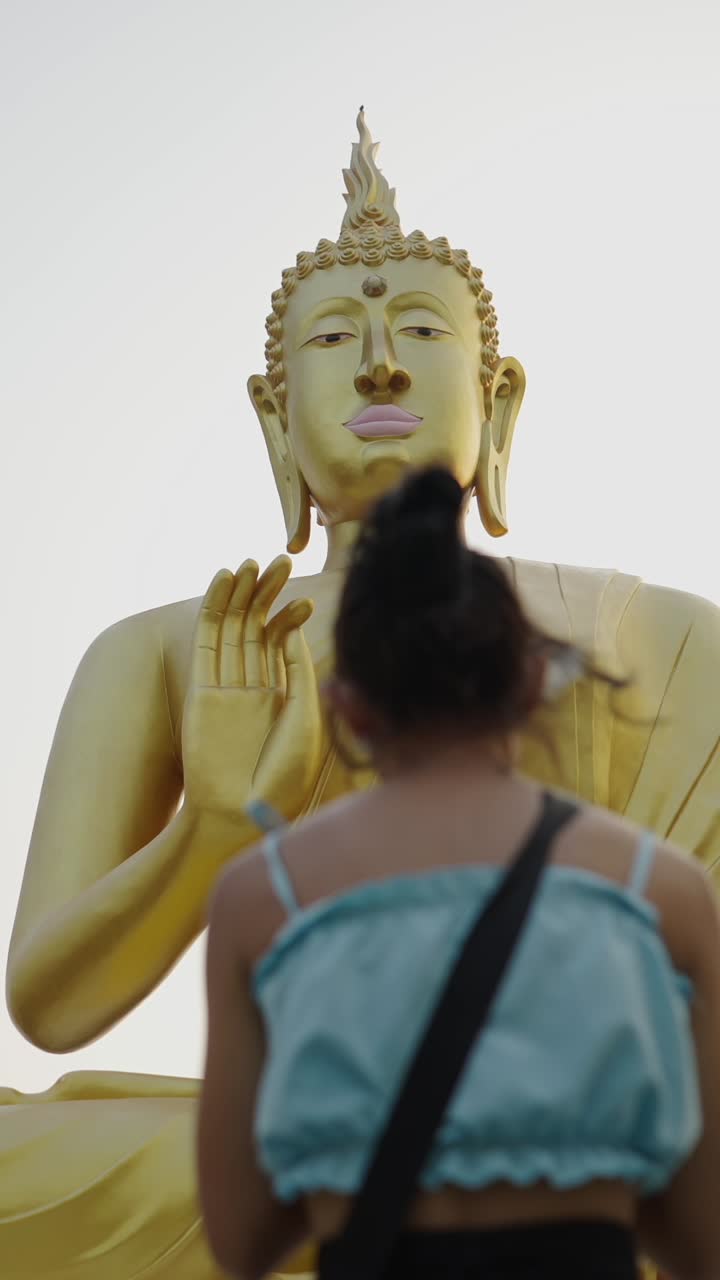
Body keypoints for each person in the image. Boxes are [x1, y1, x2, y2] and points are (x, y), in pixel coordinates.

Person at [198, 467, 720, 1280]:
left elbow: (241, 1234)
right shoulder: (662, 889)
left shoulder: (265, 893)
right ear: (529, 682)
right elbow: (701, 1234)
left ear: (345, 706)